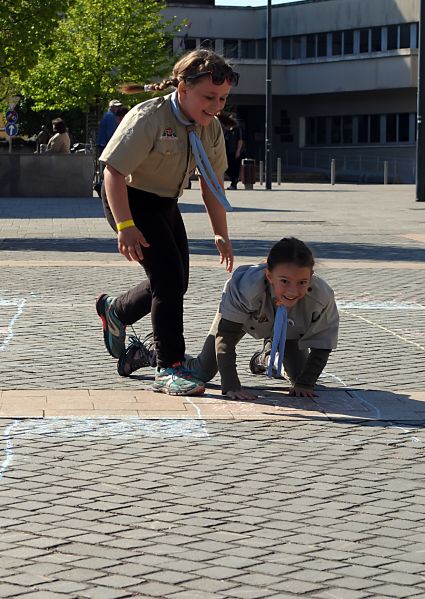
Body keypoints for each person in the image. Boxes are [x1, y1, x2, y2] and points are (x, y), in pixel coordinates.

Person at [95, 48, 239, 396]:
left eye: (222, 98)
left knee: (176, 281)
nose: (216, 105)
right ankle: (169, 367)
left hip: (164, 204)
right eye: (209, 97)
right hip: (129, 199)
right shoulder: (150, 117)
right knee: (169, 279)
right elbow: (112, 172)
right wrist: (126, 226)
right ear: (182, 88)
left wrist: (221, 233)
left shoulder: (210, 128)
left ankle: (116, 310)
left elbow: (213, 186)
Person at [119, 237, 339, 401]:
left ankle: (268, 356)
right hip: (242, 321)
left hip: (290, 329)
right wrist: (231, 384)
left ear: (311, 278)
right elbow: (226, 336)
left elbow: (322, 344)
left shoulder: (321, 297)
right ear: (269, 276)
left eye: (302, 282)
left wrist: (306, 382)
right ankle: (150, 351)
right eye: (284, 281)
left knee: (300, 378)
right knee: (202, 372)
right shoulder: (246, 287)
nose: (293, 290)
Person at [224, 117, 245, 190]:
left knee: (234, 168)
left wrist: (238, 151)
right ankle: (234, 180)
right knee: (227, 168)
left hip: (235, 152)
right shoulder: (228, 130)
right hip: (228, 152)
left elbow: (240, 140)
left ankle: (234, 183)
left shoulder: (238, 129)